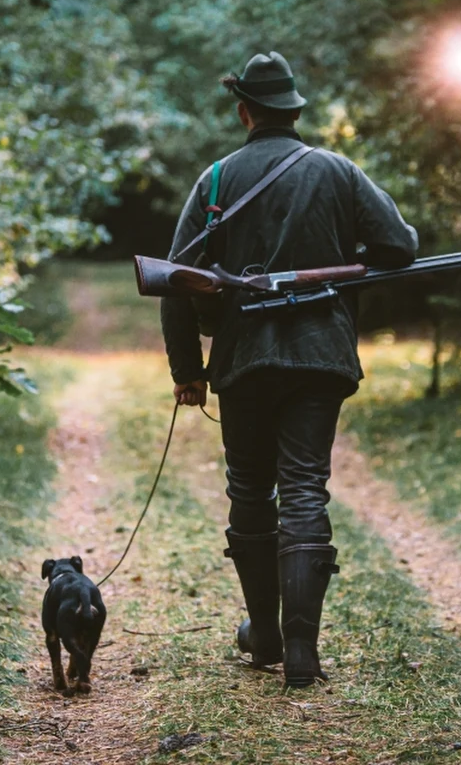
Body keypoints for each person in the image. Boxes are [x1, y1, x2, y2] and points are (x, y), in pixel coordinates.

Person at [160, 50, 418, 688]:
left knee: (250, 490)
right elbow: (401, 247)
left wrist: (188, 369)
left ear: (245, 110)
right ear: (294, 110)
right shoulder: (337, 170)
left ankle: (265, 636)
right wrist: (339, 256)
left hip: (244, 358)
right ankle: (301, 651)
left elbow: (172, 282)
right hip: (320, 356)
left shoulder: (217, 180)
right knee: (304, 487)